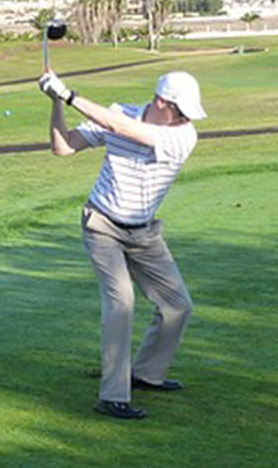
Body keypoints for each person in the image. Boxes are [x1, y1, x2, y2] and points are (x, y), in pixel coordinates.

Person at [40, 69, 204, 420]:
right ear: (162, 102)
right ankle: (113, 396)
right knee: (121, 304)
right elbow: (63, 147)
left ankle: (146, 373)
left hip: (144, 233)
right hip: (102, 226)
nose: (187, 118)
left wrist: (69, 94)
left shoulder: (183, 135)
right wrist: (56, 103)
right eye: (181, 111)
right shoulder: (121, 112)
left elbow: (124, 130)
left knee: (178, 305)